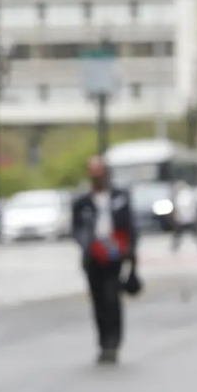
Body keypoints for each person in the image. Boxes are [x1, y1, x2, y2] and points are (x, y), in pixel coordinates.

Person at [71, 156, 138, 365]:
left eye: (100, 171)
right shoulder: (82, 203)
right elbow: (76, 229)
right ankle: (102, 343)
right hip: (93, 257)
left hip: (115, 255)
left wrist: (131, 252)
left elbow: (131, 226)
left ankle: (114, 342)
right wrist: (87, 244)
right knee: (98, 300)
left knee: (112, 298)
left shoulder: (120, 198)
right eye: (93, 172)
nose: (97, 176)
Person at [171, 181, 197, 253]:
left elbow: (179, 207)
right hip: (188, 218)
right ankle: (175, 247)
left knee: (179, 235)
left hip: (184, 219)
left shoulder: (181, 195)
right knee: (193, 234)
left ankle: (175, 247)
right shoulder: (188, 194)